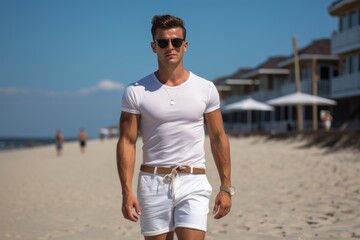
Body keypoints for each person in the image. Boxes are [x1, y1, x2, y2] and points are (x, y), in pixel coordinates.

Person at [116, 15, 233, 240]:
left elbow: (218, 137)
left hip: (193, 180)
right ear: (154, 47)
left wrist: (226, 187)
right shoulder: (136, 91)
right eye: (163, 42)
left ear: (185, 46)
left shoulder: (205, 88)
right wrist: (126, 191)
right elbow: (127, 142)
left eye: (176, 41)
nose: (170, 47)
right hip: (153, 183)